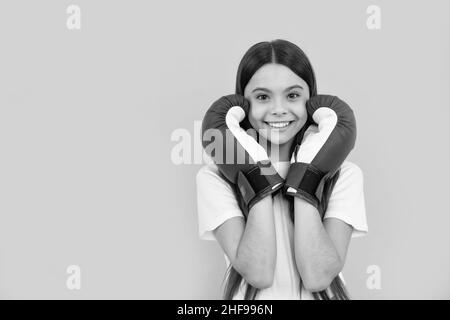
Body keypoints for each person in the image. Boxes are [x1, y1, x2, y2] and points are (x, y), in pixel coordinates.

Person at [196, 39, 368, 300]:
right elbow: (259, 273)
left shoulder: (345, 174)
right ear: (240, 106)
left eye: (293, 95)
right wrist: (256, 171)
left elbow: (317, 276)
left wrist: (308, 174)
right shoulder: (214, 178)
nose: (278, 110)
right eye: (263, 97)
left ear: (314, 103)